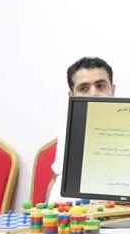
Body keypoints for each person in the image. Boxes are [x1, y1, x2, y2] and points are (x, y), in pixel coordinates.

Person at [47, 56, 116, 202]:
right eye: (84, 88)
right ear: (71, 96)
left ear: (112, 90)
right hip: (63, 212)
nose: (93, 94)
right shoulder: (67, 130)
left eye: (100, 86)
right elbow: (57, 177)